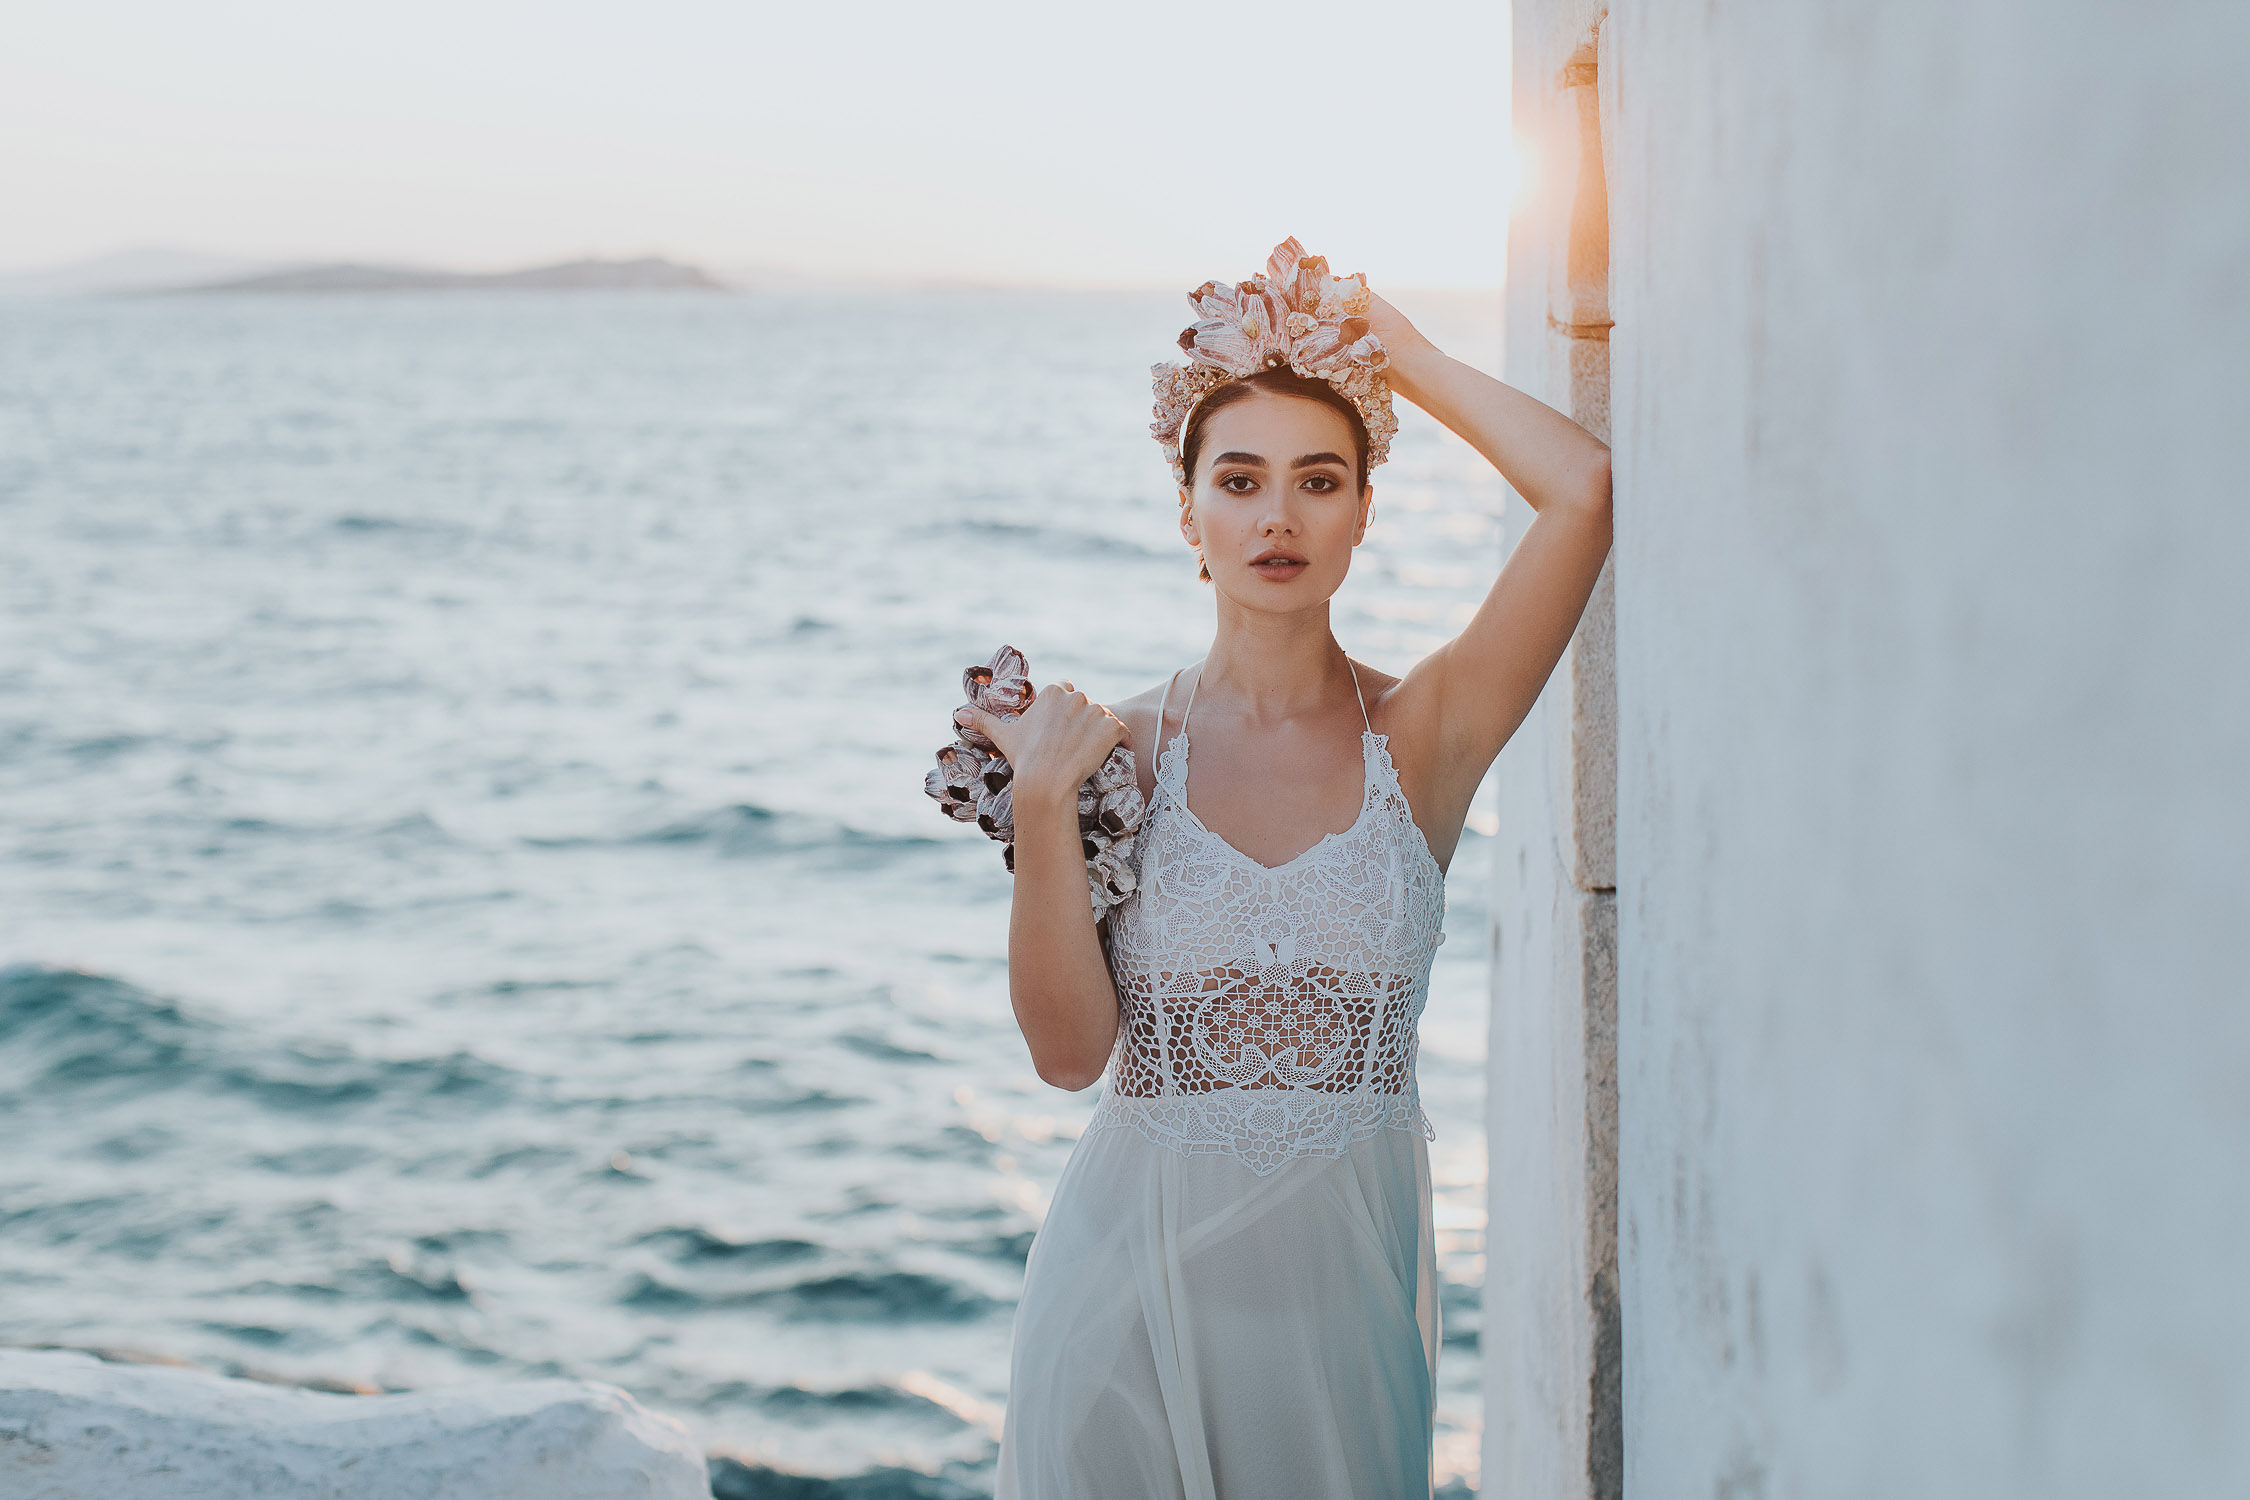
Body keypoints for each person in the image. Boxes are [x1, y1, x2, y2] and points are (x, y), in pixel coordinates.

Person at [961, 240, 1613, 1499]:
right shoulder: (1110, 757)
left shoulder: (1424, 736)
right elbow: (1066, 1058)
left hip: (1337, 1330)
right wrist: (1043, 805)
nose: (1278, 517)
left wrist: (1400, 356)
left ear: (1365, 510)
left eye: (1320, 481)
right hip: (1120, 1310)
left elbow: (1581, 487)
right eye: (1240, 480)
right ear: (1189, 514)